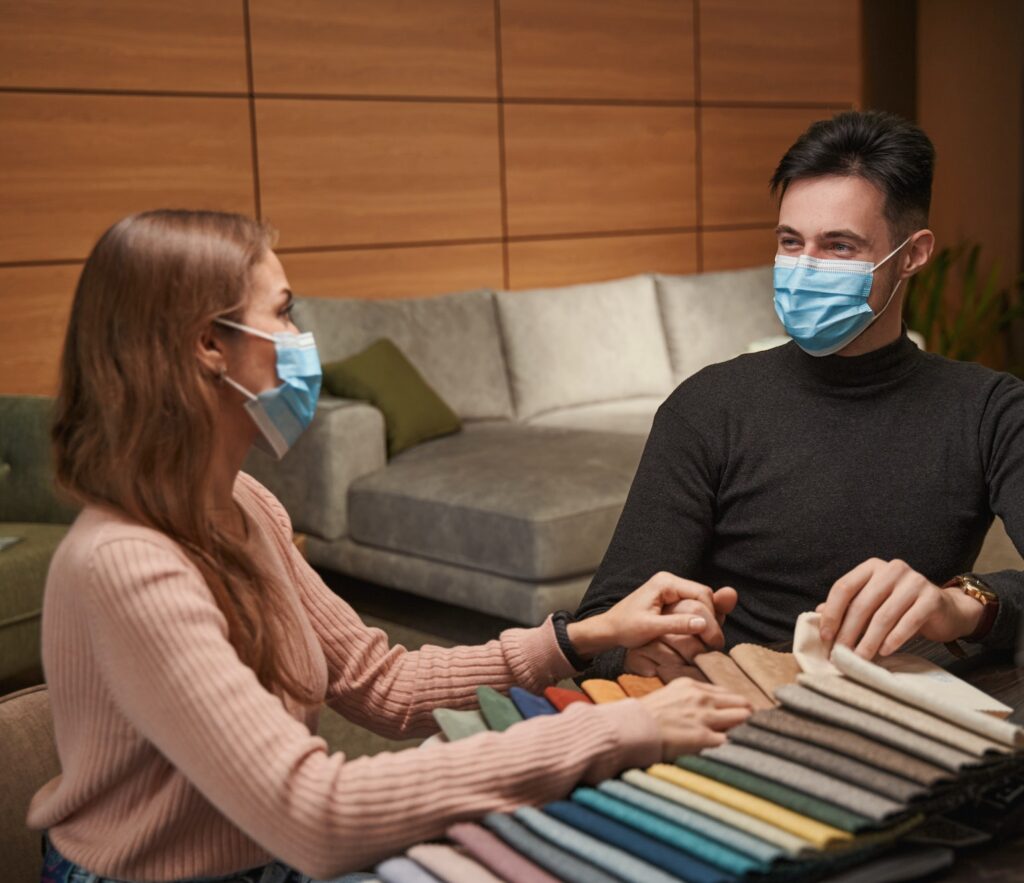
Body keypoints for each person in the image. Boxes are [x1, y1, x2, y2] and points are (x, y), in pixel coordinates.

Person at [28, 209, 752, 883]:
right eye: (281, 311)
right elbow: (318, 812)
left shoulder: (245, 504)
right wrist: (613, 728)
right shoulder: (128, 562)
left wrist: (582, 636)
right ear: (208, 345)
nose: (302, 337)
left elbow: (383, 685)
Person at [575, 110, 1024, 681]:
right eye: (791, 242)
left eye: (839, 247)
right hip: (726, 702)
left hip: (892, 705)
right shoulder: (709, 407)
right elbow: (602, 625)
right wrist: (642, 651)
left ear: (912, 255)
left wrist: (962, 605)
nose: (804, 268)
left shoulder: (990, 411)